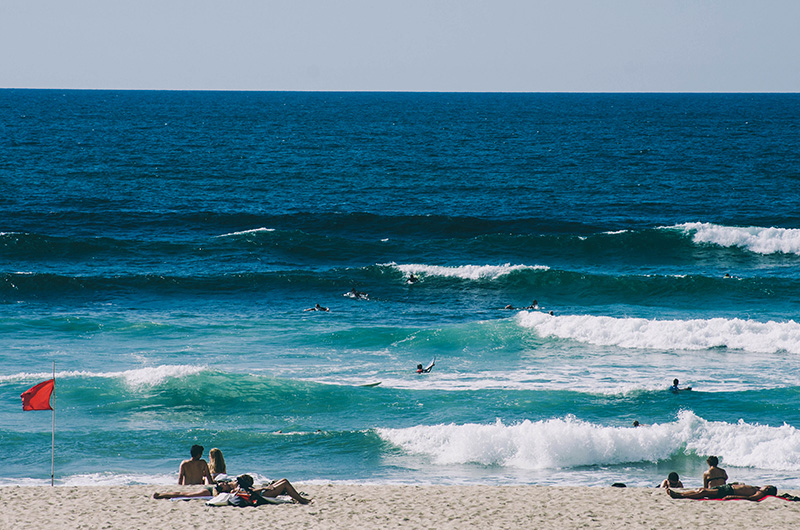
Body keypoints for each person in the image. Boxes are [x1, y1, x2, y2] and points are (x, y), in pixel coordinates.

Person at [233, 474, 312, 505]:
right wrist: (264, 487)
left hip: (263, 492)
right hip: (263, 494)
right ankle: (302, 500)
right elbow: (251, 492)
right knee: (285, 484)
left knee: (284, 480)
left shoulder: (241, 486)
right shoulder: (239, 488)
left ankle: (300, 498)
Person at [666, 483, 777, 501]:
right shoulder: (758, 488)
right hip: (727, 487)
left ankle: (680, 495)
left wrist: (732, 496)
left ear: (767, 489)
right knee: (702, 490)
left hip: (728, 490)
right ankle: (680, 495)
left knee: (703, 492)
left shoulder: (761, 493)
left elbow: (751, 498)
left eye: (766, 486)